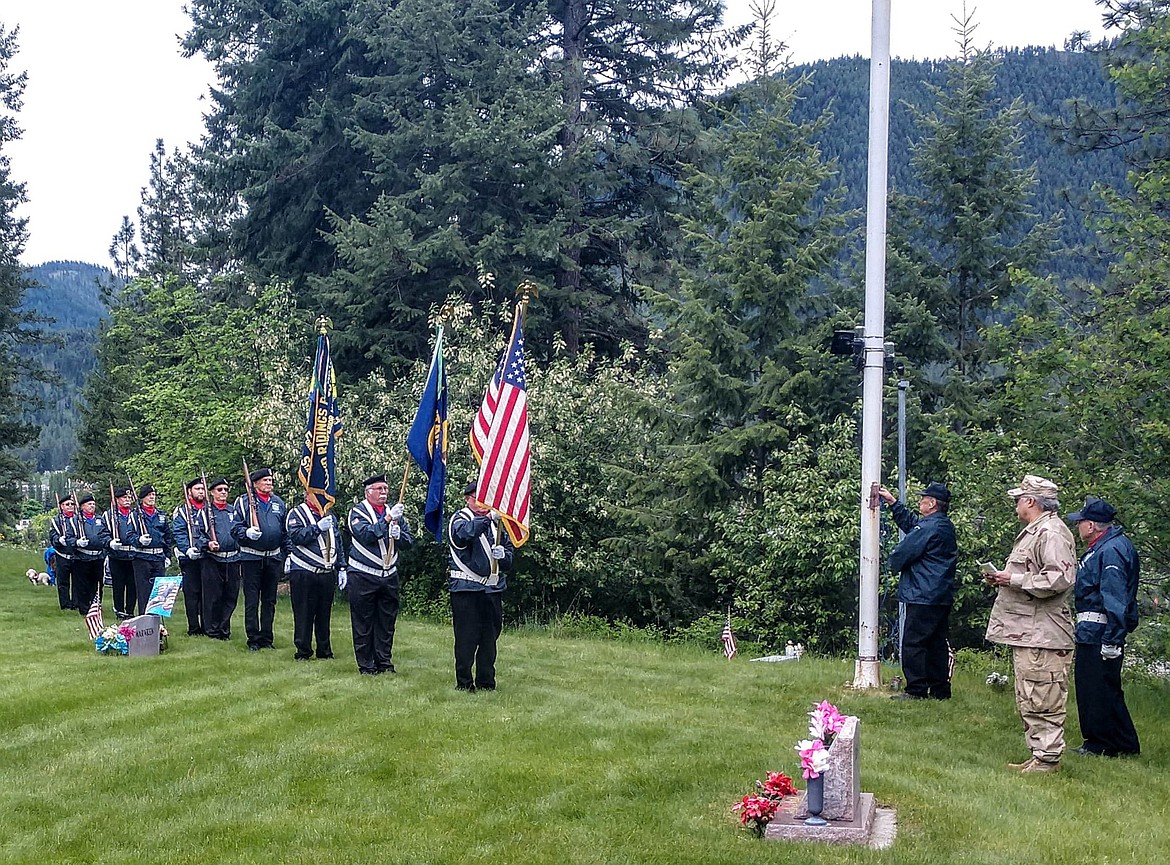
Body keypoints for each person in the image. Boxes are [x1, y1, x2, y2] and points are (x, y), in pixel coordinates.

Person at [985, 474, 1077, 774]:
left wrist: (1012, 579)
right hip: (1031, 631)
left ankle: (1048, 759)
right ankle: (1040, 755)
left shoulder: (1051, 532)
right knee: (1030, 695)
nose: (1016, 504)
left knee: (1044, 696)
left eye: (1019, 499)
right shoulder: (1036, 532)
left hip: (1045, 632)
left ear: (1031, 502)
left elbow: (1060, 579)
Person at [1068, 496, 1141, 757]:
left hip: (1099, 631)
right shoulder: (1109, 546)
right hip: (1097, 630)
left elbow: (1115, 597)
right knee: (1106, 688)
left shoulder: (1110, 551)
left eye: (1081, 522)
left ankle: (1099, 744)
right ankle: (1124, 743)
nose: (1078, 528)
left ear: (1093, 525)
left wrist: (1112, 639)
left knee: (1094, 689)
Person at [878, 482, 958, 701]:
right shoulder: (943, 525)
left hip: (923, 595)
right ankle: (940, 690)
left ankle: (916, 690)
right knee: (936, 643)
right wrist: (894, 504)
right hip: (940, 595)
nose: (920, 502)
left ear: (931, 503)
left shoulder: (928, 528)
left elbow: (902, 553)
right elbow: (915, 527)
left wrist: (893, 560)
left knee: (914, 643)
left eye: (923, 499)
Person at [447, 481, 514, 692]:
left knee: (489, 638)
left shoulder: (497, 524)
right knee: (467, 638)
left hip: (492, 589)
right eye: (478, 497)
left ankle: (486, 682)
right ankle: (464, 683)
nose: (483, 502)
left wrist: (504, 556)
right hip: (466, 588)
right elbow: (466, 534)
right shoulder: (459, 519)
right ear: (467, 498)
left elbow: (509, 557)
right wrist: (487, 518)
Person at [345, 475, 412, 675]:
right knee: (363, 622)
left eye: (385, 489)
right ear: (368, 492)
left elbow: (409, 542)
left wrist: (400, 536)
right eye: (379, 489)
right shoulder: (358, 512)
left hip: (389, 574)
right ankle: (366, 665)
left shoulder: (395, 512)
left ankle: (384, 661)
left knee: (386, 622)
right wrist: (388, 520)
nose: (383, 492)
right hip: (363, 574)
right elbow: (366, 534)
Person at [231, 467, 286, 651]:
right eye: (265, 480)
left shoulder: (278, 502)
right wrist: (246, 532)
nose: (269, 483)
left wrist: (288, 555)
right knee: (252, 600)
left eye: (270, 480)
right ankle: (253, 638)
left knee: (270, 601)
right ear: (255, 484)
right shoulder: (243, 502)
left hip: (273, 557)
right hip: (251, 558)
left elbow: (284, 531)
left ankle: (267, 638)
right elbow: (235, 529)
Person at [284, 494, 344, 661]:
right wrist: (317, 527)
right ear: (307, 495)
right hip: (304, 570)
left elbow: (337, 541)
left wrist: (342, 567)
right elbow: (296, 537)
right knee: (304, 613)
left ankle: (324, 650)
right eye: (316, 493)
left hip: (326, 572)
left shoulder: (329, 515)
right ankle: (303, 651)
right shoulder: (296, 513)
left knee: (324, 613)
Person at [203, 478, 241, 641]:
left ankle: (224, 629)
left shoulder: (234, 511)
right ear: (212, 492)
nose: (223, 492)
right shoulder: (205, 513)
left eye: (226, 489)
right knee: (213, 597)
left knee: (230, 596)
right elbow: (197, 534)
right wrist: (207, 543)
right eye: (219, 490)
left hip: (233, 559)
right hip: (213, 560)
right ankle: (212, 630)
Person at [172, 478, 211, 636]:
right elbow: (179, 532)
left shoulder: (210, 509)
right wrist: (187, 549)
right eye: (197, 489)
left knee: (207, 593)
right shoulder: (181, 511)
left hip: (207, 556)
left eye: (203, 489)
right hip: (189, 558)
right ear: (189, 492)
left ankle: (208, 626)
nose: (201, 491)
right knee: (192, 593)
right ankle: (194, 627)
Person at [131, 485, 174, 616]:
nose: (152, 497)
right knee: (144, 592)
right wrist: (139, 540)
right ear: (142, 498)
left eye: (153, 495)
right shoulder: (134, 515)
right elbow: (128, 535)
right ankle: (145, 620)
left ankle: (157, 621)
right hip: (142, 557)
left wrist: (167, 556)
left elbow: (167, 537)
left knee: (159, 592)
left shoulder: (160, 515)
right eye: (149, 495)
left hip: (158, 557)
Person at [69, 493, 111, 617]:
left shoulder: (99, 519)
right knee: (82, 584)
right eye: (89, 504)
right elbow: (69, 537)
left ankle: (96, 606)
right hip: (82, 557)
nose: (92, 506)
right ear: (82, 506)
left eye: (93, 504)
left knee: (97, 584)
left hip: (97, 557)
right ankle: (84, 608)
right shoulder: (75, 520)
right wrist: (77, 542)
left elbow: (105, 534)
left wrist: (107, 543)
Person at [104, 485, 139, 619]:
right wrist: (109, 542)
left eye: (129, 497)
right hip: (117, 556)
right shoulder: (109, 515)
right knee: (118, 585)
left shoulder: (135, 514)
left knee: (132, 585)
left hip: (133, 555)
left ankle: (130, 610)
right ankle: (119, 610)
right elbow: (103, 534)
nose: (127, 500)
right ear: (117, 499)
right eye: (124, 497)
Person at [48, 495, 78, 610]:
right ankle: (65, 604)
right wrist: (58, 540)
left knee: (77, 582)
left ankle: (76, 604)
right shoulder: (56, 521)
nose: (70, 506)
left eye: (72, 504)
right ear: (61, 506)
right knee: (63, 582)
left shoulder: (78, 519)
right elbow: (52, 536)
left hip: (76, 554)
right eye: (67, 504)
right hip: (62, 555)